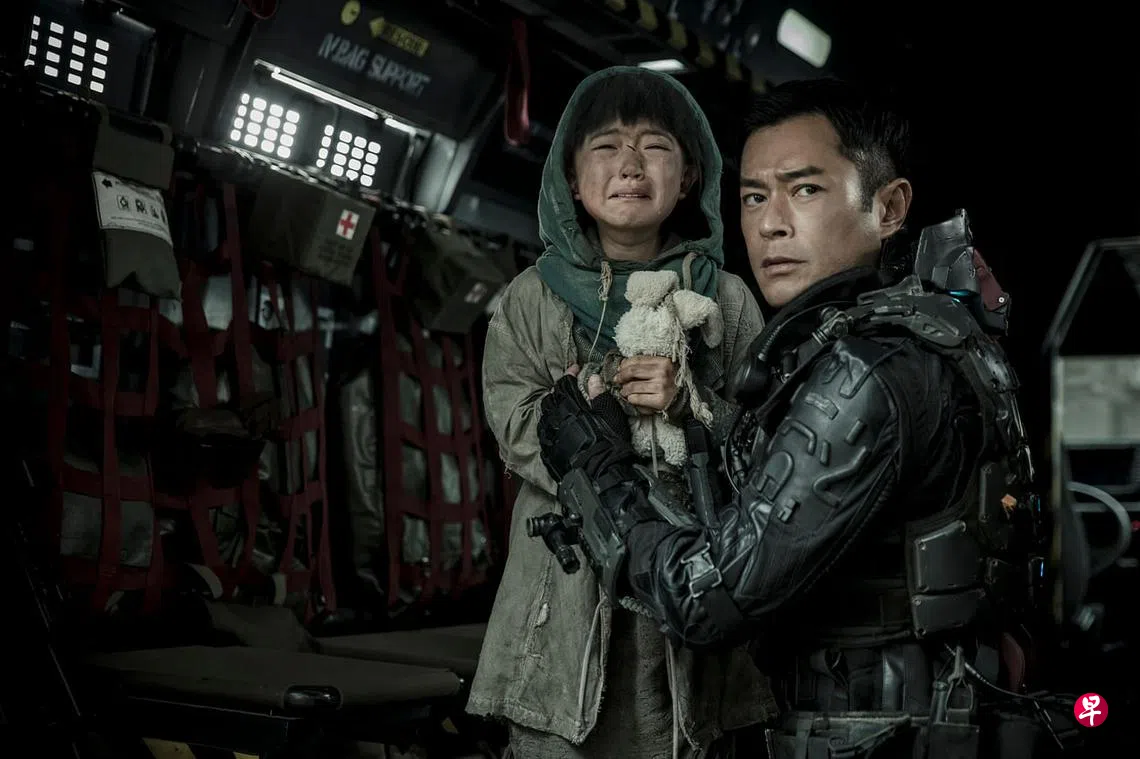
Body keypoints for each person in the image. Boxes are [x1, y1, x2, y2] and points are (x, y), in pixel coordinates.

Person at [533, 79, 1066, 758]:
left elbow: (706, 598)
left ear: (889, 207)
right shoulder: (935, 332)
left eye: (805, 189)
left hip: (876, 730)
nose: (771, 223)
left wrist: (596, 470)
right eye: (754, 197)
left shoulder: (867, 369)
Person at [466, 66, 778, 758]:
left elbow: (764, 444)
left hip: (693, 597)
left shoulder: (727, 301)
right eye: (606, 146)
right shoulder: (529, 299)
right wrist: (596, 394)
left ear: (689, 176)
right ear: (572, 180)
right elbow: (513, 426)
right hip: (562, 603)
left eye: (655, 147)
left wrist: (690, 402)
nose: (631, 165)